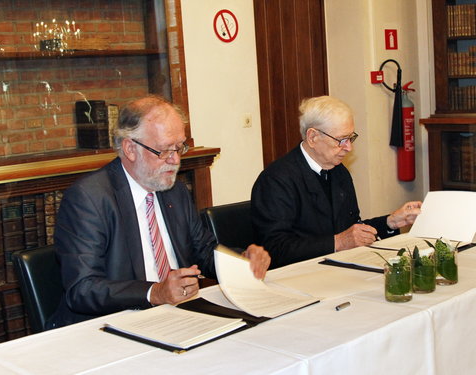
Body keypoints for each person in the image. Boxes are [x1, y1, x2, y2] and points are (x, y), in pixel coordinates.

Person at [47, 95, 270, 328]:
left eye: (179, 147)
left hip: (174, 316)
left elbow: (203, 250)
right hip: (108, 325)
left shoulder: (174, 191)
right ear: (130, 148)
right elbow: (83, 289)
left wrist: (241, 261)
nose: (175, 160)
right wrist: (154, 292)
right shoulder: (89, 198)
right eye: (164, 151)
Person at [251, 96, 421, 269]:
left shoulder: (339, 172)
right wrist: (338, 242)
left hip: (336, 271)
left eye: (351, 138)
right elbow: (274, 249)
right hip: (296, 278)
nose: (349, 148)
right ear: (313, 137)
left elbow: (352, 229)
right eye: (341, 140)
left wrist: (390, 222)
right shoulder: (276, 180)